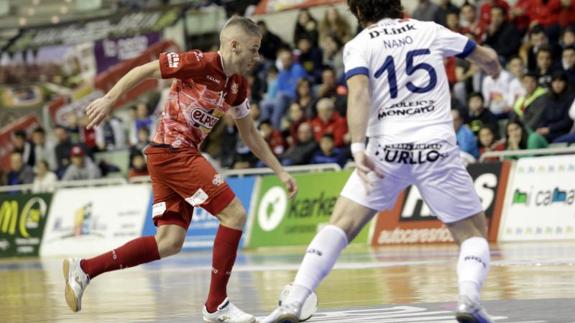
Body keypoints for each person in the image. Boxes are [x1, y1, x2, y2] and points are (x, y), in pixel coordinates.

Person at [263, 1, 502, 322]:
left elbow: (359, 93)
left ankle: (294, 300)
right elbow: (485, 56)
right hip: (435, 148)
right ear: (398, 5)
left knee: (341, 225)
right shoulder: (428, 30)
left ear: (359, 13)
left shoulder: (359, 44)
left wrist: (358, 146)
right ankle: (469, 299)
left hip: (385, 151)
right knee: (473, 232)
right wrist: (493, 68)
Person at [66, 16, 297, 323]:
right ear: (234, 45)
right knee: (235, 215)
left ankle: (84, 270)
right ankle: (217, 305)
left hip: (167, 156)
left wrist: (280, 171)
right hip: (174, 152)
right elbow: (144, 70)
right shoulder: (199, 63)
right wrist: (109, 99)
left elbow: (250, 134)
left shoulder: (238, 86)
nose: (257, 57)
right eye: (253, 50)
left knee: (169, 242)